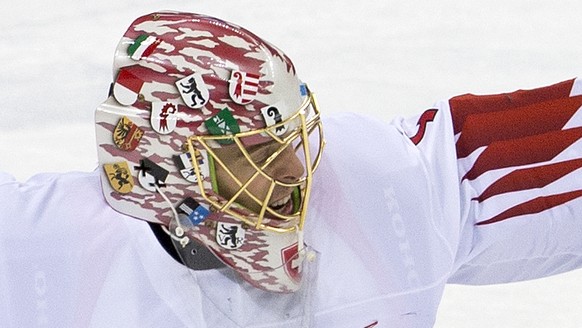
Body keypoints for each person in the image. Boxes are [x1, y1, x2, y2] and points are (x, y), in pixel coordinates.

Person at [0, 11, 581, 328]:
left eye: (291, 136)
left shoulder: (387, 188)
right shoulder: (38, 251)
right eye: (252, 150)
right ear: (171, 166)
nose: (297, 166)